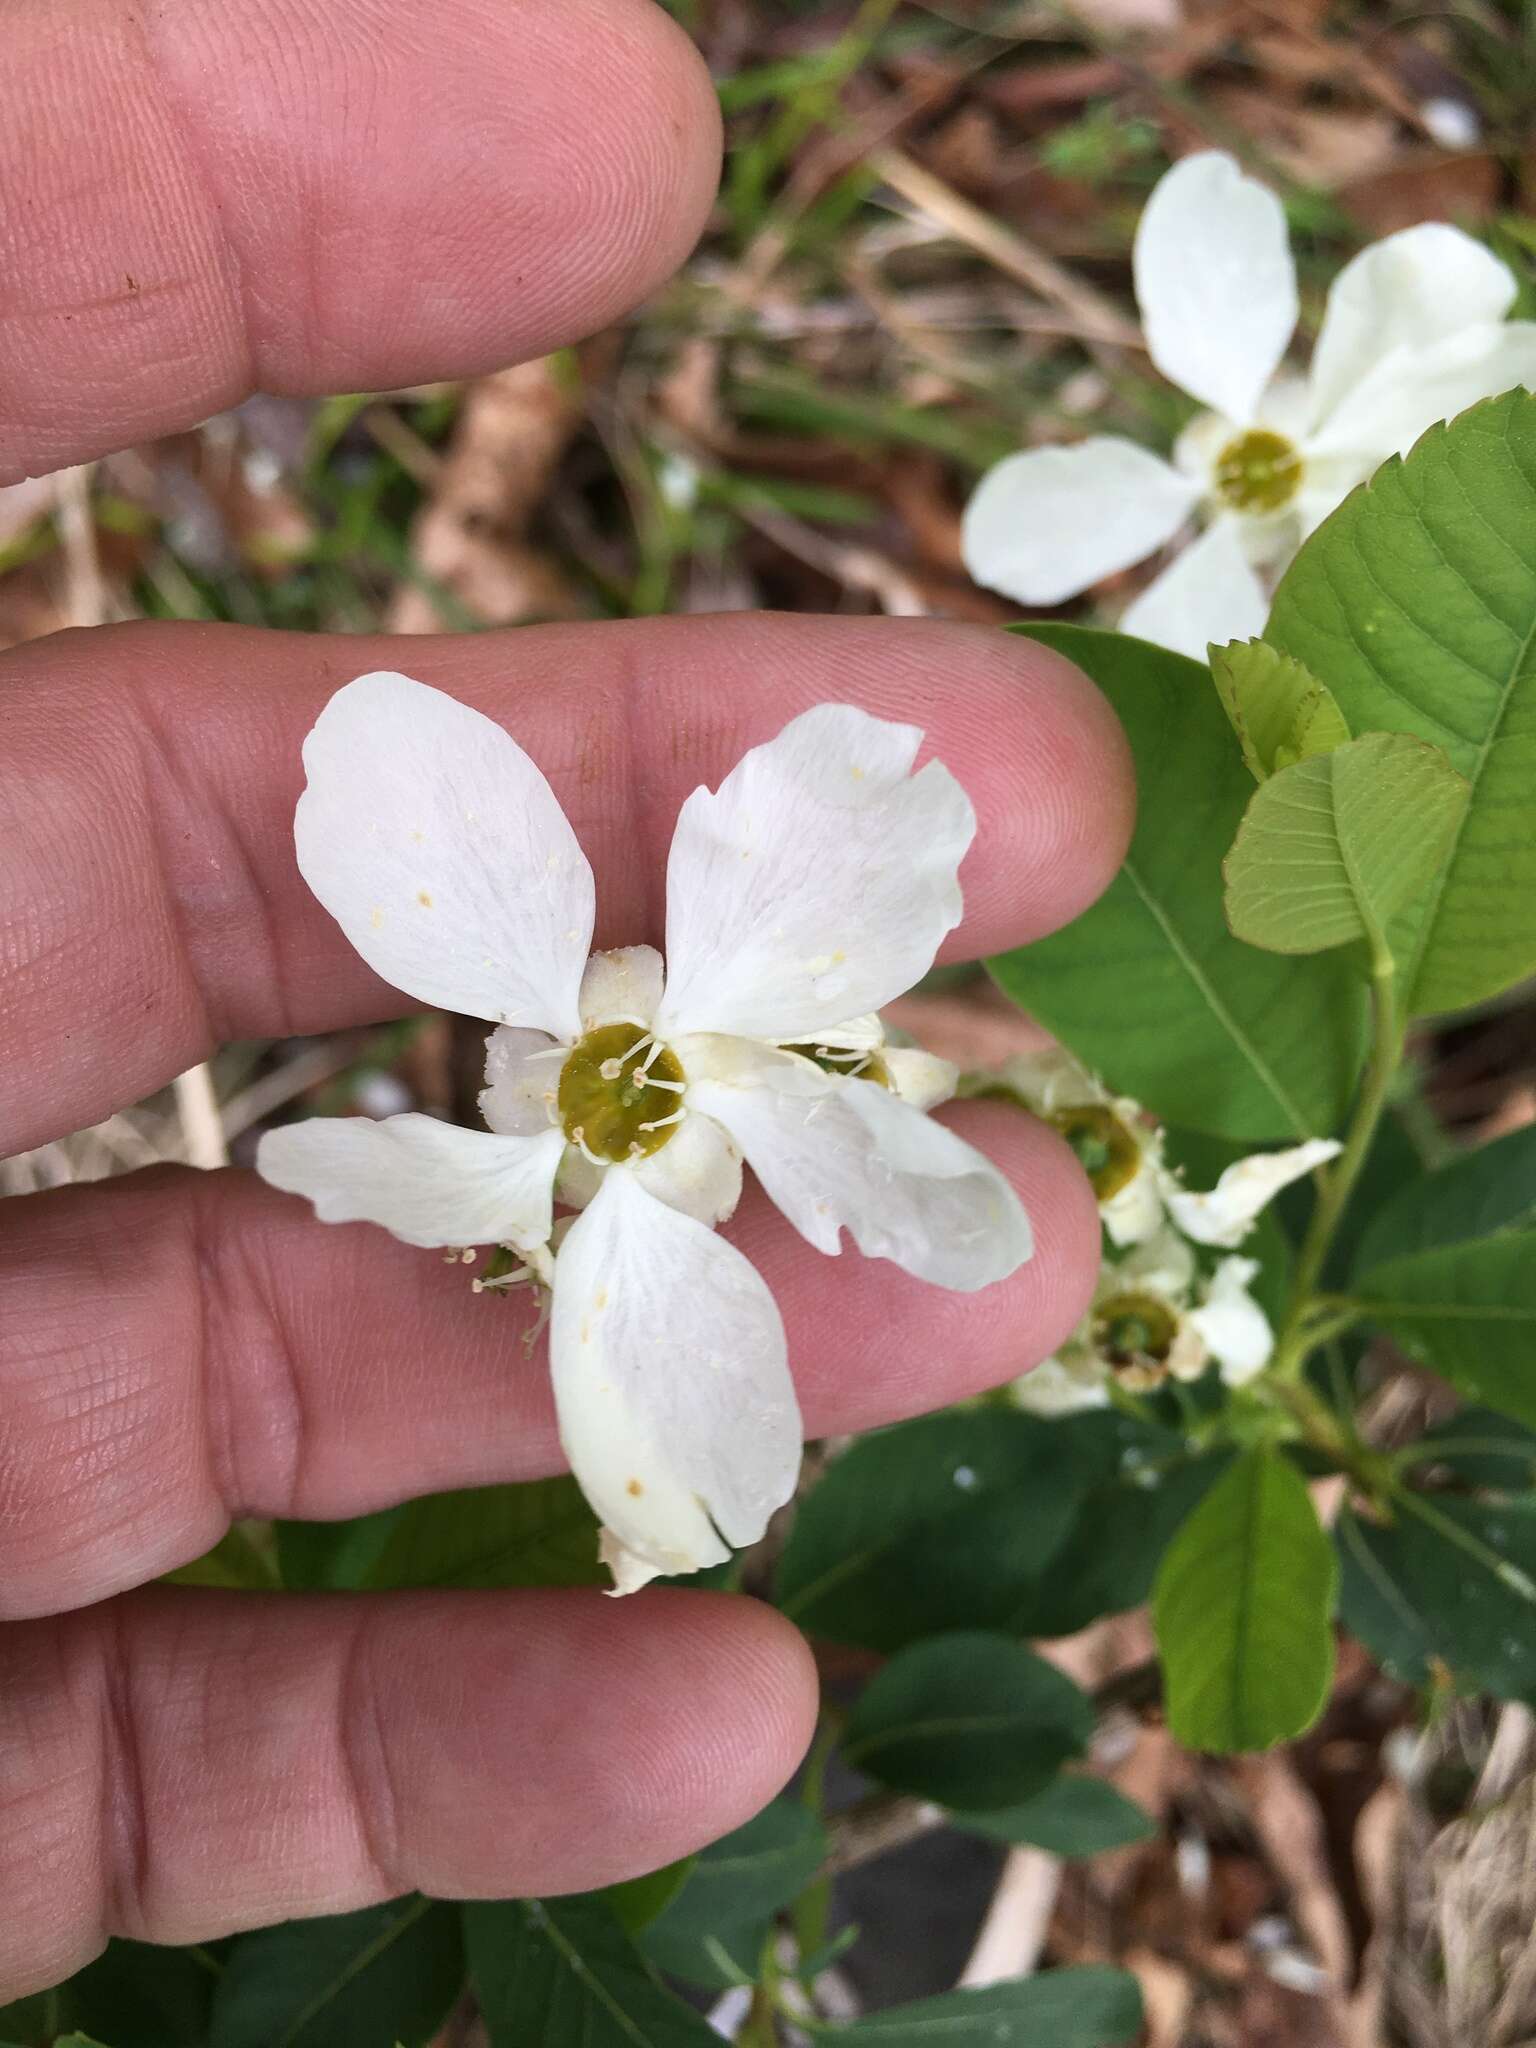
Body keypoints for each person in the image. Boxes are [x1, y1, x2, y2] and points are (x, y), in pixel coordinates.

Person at [0, 0, 1134, 2004]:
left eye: (622, 1092)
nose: (614, 1092)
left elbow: (879, 1186)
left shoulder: (660, 1095)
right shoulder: (559, 1014)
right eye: (619, 1086)